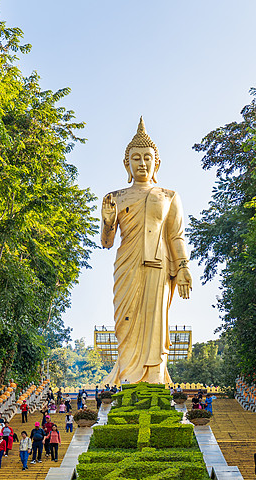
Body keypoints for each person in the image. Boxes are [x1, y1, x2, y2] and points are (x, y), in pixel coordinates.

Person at [101, 118, 192, 384]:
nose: (142, 163)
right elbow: (106, 241)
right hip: (127, 264)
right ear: (126, 163)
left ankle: (154, 375)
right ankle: (127, 375)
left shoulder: (169, 195)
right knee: (125, 321)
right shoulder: (114, 197)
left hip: (158, 264)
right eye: (136, 158)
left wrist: (184, 267)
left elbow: (176, 235)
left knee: (155, 319)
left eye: (147, 158)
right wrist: (108, 221)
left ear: (157, 163)